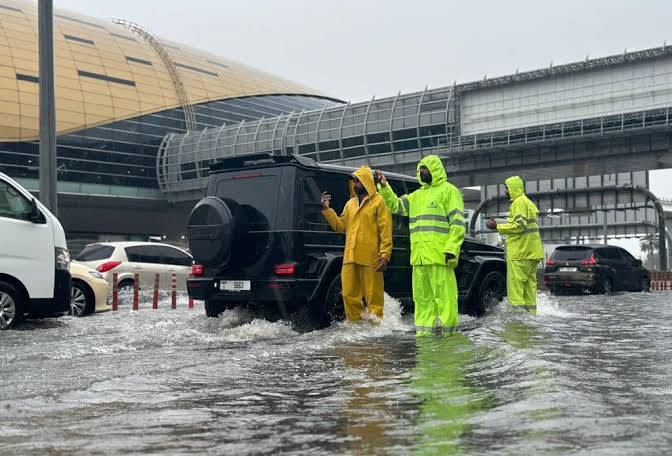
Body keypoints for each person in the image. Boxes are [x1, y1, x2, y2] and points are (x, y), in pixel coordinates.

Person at [375, 155, 466, 336]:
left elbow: (457, 224)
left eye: (424, 168)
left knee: (445, 299)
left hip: (440, 256)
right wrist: (384, 186)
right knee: (422, 300)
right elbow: (396, 206)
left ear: (435, 170)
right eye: (420, 169)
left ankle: (451, 337)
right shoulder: (416, 196)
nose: (420, 172)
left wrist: (451, 249)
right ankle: (424, 336)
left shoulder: (449, 191)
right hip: (419, 259)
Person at [321, 165, 392, 321]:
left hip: (371, 257)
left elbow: (385, 230)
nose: (354, 184)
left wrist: (385, 255)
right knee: (348, 295)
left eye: (357, 181)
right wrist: (327, 210)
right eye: (353, 181)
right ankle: (356, 327)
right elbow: (341, 226)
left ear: (366, 181)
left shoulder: (379, 202)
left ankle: (376, 328)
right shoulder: (350, 204)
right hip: (350, 256)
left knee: (374, 296)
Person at [485, 176, 544, 314]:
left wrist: (497, 226)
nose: (505, 191)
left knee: (516, 293)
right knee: (529, 292)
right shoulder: (527, 202)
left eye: (506, 188)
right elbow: (520, 223)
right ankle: (531, 320)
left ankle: (517, 326)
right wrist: (500, 222)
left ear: (513, 188)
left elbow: (519, 226)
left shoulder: (518, 202)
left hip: (520, 254)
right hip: (532, 253)